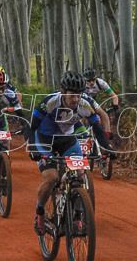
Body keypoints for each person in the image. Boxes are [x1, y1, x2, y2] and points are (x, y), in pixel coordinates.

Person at [28, 71, 110, 235]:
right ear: (63, 91)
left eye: (79, 95)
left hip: (67, 140)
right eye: (72, 95)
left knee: (80, 175)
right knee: (51, 178)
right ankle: (39, 213)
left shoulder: (84, 104)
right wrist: (33, 148)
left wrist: (107, 148)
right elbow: (31, 127)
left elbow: (97, 129)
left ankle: (77, 217)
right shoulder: (50, 102)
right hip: (46, 140)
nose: (76, 99)